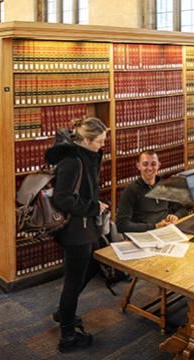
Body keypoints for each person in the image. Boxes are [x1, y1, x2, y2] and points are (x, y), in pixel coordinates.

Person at [45, 117, 108, 353]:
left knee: (94, 264)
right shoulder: (72, 161)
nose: (103, 145)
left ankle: (64, 312)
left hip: (86, 226)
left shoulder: (87, 156)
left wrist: (95, 205)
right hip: (76, 232)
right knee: (71, 284)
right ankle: (68, 336)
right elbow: (62, 199)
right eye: (99, 142)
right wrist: (94, 207)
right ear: (85, 140)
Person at [116, 150, 187, 233]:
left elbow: (182, 209)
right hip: (144, 235)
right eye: (145, 164)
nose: (149, 168)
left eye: (153, 164)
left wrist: (175, 216)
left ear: (158, 165)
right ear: (138, 166)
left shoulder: (165, 186)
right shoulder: (131, 191)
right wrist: (155, 226)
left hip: (165, 231)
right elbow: (122, 225)